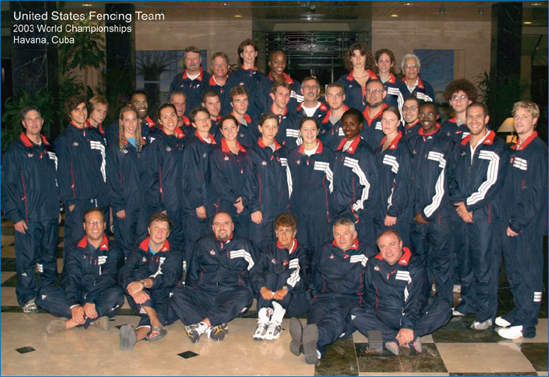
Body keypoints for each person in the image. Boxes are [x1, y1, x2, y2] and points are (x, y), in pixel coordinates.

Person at [450, 103, 510, 330]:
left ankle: (486, 313)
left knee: (484, 264)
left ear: (486, 119)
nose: (473, 120)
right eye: (470, 117)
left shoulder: (497, 147)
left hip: (484, 216)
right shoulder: (461, 146)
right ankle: (469, 302)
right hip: (461, 214)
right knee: (465, 262)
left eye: (478, 117)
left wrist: (469, 205)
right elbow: (451, 178)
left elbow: (492, 183)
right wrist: (460, 205)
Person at [350, 230, 451, 356]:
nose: (388, 250)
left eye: (392, 244)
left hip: (408, 314)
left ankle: (399, 337)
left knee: (444, 308)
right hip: (383, 315)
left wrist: (407, 325)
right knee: (355, 314)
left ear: (401, 244)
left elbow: (416, 299)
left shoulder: (414, 266)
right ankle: (406, 339)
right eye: (383, 246)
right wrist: (369, 317)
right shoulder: (372, 263)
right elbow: (369, 295)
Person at [289, 218, 375, 364]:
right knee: (317, 316)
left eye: (345, 234)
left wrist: (369, 305)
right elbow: (315, 273)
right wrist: (315, 294)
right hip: (325, 296)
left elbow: (374, 281)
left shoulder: (366, 252)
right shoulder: (325, 249)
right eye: (337, 234)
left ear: (354, 235)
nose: (341, 238)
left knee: (335, 318)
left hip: (351, 299)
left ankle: (307, 337)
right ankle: (315, 350)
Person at [497, 101, 548, 339]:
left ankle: (527, 324)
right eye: (516, 116)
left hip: (526, 226)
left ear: (535, 120)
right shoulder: (517, 147)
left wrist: (517, 223)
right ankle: (519, 310)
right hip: (511, 223)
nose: (519, 121)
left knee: (529, 273)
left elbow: (535, 193)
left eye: (524, 117)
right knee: (515, 272)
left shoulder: (537, 150)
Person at [1, 106, 60, 314]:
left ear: (42, 122)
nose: (34, 123)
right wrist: (15, 216)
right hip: (28, 217)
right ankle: (27, 298)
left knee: (48, 259)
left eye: (37, 119)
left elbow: (56, 180)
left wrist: (58, 207)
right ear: (23, 123)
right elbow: (6, 187)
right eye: (29, 119)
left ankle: (48, 293)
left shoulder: (49, 148)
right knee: (27, 261)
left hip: (50, 216)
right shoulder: (15, 151)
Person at [170, 212, 257, 343]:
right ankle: (212, 325)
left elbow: (256, 273)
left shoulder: (244, 245)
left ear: (232, 226)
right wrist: (191, 292)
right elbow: (193, 272)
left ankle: (203, 325)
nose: (221, 227)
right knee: (174, 294)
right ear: (213, 227)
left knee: (245, 295)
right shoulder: (203, 243)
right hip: (204, 293)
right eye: (217, 224)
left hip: (230, 294)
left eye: (226, 223)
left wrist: (254, 293)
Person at [37, 207, 124, 334]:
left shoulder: (114, 249)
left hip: (99, 295)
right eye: (90, 222)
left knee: (117, 294)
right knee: (42, 294)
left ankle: (72, 322)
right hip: (77, 293)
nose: (95, 226)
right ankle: (93, 320)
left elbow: (108, 278)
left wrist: (90, 300)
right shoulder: (74, 248)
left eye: (98, 222)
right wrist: (74, 304)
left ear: (105, 225)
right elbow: (71, 277)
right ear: (84, 225)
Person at [408, 102, 456, 307]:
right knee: (420, 261)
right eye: (422, 114)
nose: (425, 117)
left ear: (437, 117)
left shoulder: (447, 143)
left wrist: (427, 213)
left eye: (430, 114)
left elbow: (446, 183)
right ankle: (423, 299)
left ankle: (443, 305)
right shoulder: (412, 142)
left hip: (438, 216)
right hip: (416, 216)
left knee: (442, 262)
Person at [118, 212, 182, 350]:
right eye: (156, 228)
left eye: (164, 229)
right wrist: (132, 289)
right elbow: (124, 272)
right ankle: (155, 322)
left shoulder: (174, 251)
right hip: (141, 296)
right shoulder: (138, 249)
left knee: (166, 307)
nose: (159, 233)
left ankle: (135, 335)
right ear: (148, 230)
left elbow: (170, 278)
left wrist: (145, 283)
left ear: (168, 233)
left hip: (164, 294)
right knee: (135, 276)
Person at [55, 95, 108, 246]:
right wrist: (70, 202)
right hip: (79, 202)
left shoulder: (97, 136)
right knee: (76, 244)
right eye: (76, 109)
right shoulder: (63, 140)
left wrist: (105, 196)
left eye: (84, 108)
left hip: (100, 199)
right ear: (69, 114)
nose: (81, 113)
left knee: (99, 243)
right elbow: (63, 174)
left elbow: (104, 168)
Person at [250, 213, 311, 340]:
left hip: (295, 301)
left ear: (294, 233)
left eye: (287, 231)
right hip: (271, 297)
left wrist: (286, 289)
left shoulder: (301, 251)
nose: (284, 235)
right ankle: (263, 320)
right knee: (269, 276)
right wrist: (262, 288)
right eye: (281, 231)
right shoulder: (269, 250)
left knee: (286, 274)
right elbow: (255, 271)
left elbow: (303, 277)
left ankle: (276, 322)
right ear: (276, 233)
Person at [244, 113, 291, 251]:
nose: (270, 130)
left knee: (280, 249)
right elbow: (249, 182)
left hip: (281, 210)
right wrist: (254, 208)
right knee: (260, 248)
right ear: (260, 128)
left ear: (278, 129)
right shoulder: (253, 153)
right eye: (267, 127)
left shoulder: (283, 152)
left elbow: (289, 182)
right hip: (262, 211)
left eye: (274, 127)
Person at [288, 118, 335, 253]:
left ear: (318, 131)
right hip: (299, 216)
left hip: (320, 216)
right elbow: (289, 185)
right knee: (302, 255)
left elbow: (333, 186)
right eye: (305, 129)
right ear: (299, 132)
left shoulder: (327, 155)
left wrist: (328, 210)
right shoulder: (293, 155)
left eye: (313, 129)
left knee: (321, 253)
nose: (309, 133)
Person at [332, 108, 378, 247]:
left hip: (354, 213)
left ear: (361, 126)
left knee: (358, 248)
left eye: (352, 124)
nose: (348, 128)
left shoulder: (363, 151)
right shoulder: (339, 148)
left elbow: (370, 185)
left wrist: (357, 210)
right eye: (345, 124)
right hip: (339, 210)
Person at [106, 106, 149, 256]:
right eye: (127, 120)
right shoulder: (115, 147)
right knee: (125, 247)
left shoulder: (144, 146)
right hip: (126, 205)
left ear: (138, 121)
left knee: (143, 245)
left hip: (143, 205)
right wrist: (118, 206)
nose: (131, 124)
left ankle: (139, 277)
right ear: (121, 122)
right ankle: (124, 278)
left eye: (134, 120)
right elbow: (112, 178)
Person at [144, 103, 186, 248]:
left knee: (183, 238)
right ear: (160, 121)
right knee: (170, 241)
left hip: (185, 201)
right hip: (168, 203)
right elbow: (151, 177)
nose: (170, 119)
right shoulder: (158, 144)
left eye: (172, 115)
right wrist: (159, 205)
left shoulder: (183, 141)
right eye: (165, 117)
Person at [182, 106, 217, 265]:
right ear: (193, 124)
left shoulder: (214, 142)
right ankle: (190, 281)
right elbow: (192, 177)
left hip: (211, 203)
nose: (204, 122)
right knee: (194, 243)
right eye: (200, 119)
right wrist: (198, 204)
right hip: (197, 205)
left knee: (208, 243)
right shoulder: (193, 145)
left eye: (207, 118)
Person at [374, 107, 413, 247]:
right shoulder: (380, 147)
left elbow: (403, 182)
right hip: (380, 207)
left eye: (391, 120)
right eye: (384, 119)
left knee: (395, 248)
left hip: (394, 211)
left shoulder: (402, 148)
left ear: (398, 123)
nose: (387, 123)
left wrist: (393, 211)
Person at [206, 114, 250, 237]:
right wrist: (235, 201)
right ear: (221, 131)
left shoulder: (246, 152)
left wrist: (244, 200)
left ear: (238, 128)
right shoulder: (215, 152)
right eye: (225, 128)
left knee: (242, 240)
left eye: (232, 127)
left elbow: (250, 179)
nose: (229, 131)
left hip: (243, 206)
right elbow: (217, 181)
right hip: (223, 204)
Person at [230, 39, 270, 119]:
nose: (249, 55)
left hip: (258, 121)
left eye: (251, 51)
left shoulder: (262, 78)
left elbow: (266, 102)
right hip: (240, 121)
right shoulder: (234, 77)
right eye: (246, 52)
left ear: (256, 53)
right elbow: (227, 102)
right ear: (241, 55)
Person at [168, 46, 211, 116]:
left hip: (201, 124)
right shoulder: (177, 80)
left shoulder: (209, 79)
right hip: (181, 124)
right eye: (189, 59)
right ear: (185, 61)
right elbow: (170, 103)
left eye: (195, 58)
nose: (192, 61)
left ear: (200, 60)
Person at [337, 42, 378, 112]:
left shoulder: (376, 79)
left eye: (361, 55)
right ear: (350, 58)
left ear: (366, 57)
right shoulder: (343, 81)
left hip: (372, 120)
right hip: (351, 120)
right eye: (354, 56)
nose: (358, 59)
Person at [441, 78, 478, 143]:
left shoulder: (477, 124)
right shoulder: (446, 125)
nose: (458, 101)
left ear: (470, 101)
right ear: (450, 102)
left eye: (463, 97)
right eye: (455, 97)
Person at [269, 81, 301, 149]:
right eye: (281, 94)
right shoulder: (262, 121)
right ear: (273, 96)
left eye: (287, 95)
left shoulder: (297, 121)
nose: (284, 98)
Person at [204, 52, 236, 116]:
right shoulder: (205, 87)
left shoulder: (235, 85)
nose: (219, 67)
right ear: (212, 68)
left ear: (228, 67)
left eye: (223, 64)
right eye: (216, 64)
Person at [319, 82, 348, 150]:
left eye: (338, 95)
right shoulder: (320, 122)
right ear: (326, 98)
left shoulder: (354, 120)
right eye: (331, 95)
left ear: (343, 97)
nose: (334, 99)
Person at [362, 80, 389, 150]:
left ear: (384, 94)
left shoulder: (392, 118)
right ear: (365, 94)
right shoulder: (358, 117)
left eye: (377, 91)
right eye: (369, 91)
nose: (372, 94)